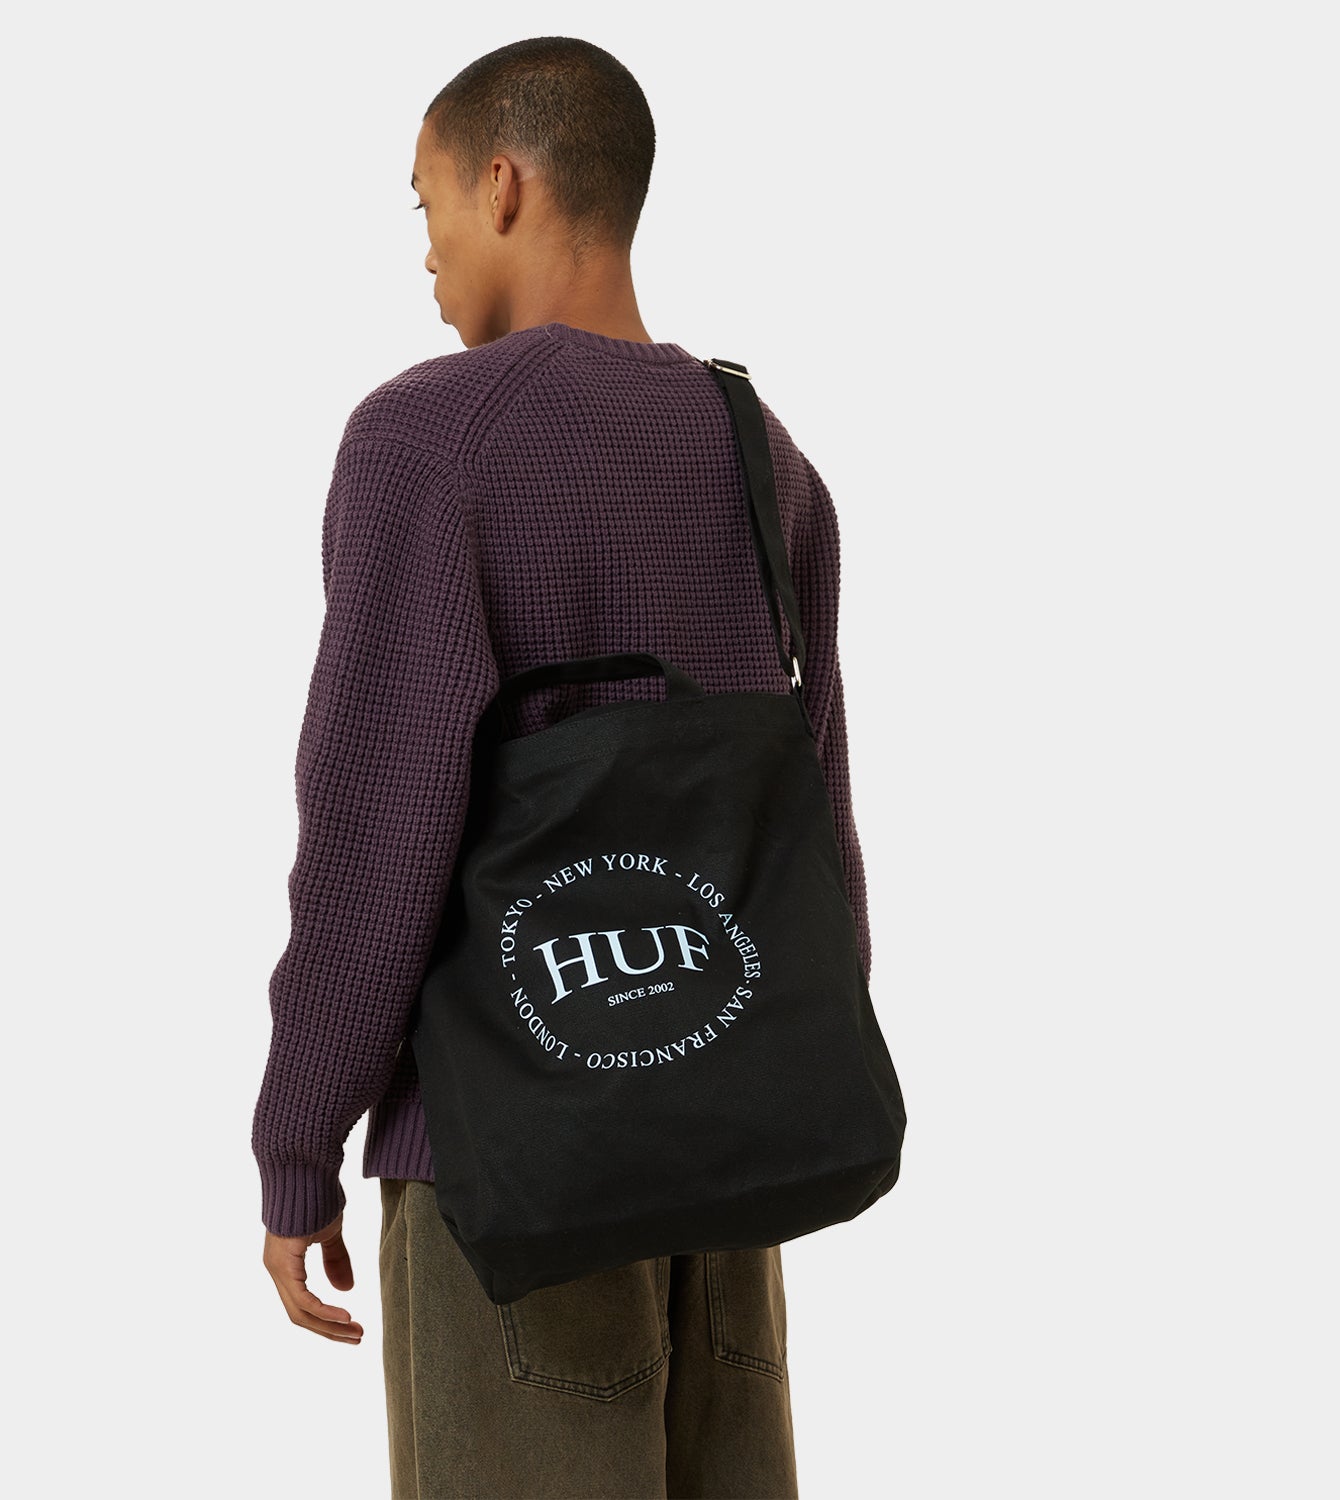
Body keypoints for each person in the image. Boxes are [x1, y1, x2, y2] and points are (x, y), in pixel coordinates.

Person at [251, 35, 872, 1500]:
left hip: (508, 1173)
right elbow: (815, 825)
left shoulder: (430, 439)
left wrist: (300, 1139)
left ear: (504, 184)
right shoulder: (767, 457)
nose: (424, 250)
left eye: (425, 205)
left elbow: (374, 828)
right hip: (729, 1166)